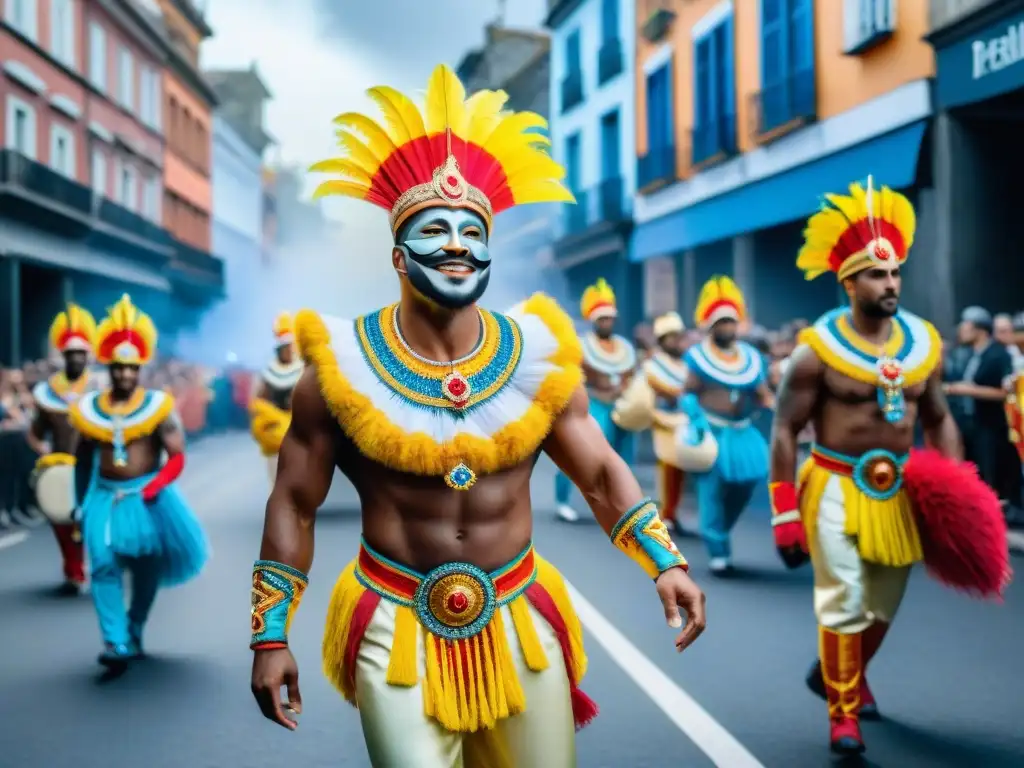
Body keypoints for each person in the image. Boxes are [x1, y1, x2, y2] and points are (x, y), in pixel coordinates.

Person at [248, 64, 706, 768]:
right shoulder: (337, 370)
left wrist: (665, 562)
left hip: (519, 615)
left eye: (473, 228)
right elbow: (296, 503)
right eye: (437, 227)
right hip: (394, 622)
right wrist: (271, 636)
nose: (459, 242)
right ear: (398, 254)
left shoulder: (538, 357)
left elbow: (600, 470)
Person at [770, 178, 1010, 755]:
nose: (891, 283)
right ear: (849, 282)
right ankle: (842, 714)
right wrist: (784, 513)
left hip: (899, 487)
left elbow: (940, 418)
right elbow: (784, 429)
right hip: (831, 482)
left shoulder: (924, 344)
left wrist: (960, 491)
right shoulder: (814, 353)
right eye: (877, 275)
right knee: (845, 596)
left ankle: (836, 670)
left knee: (884, 604)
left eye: (895, 272)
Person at [70, 294, 209, 669]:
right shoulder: (88, 411)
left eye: (132, 367)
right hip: (103, 498)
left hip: (148, 499)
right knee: (102, 565)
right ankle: (115, 643)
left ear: (140, 368)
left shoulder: (159, 407)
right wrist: (78, 502)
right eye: (118, 367)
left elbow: (177, 456)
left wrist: (156, 485)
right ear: (109, 366)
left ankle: (133, 628)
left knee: (146, 569)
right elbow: (81, 461)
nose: (125, 374)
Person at [681, 276, 772, 574]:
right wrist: (695, 419)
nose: (727, 328)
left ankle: (720, 529)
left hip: (742, 432)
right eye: (721, 323)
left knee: (744, 487)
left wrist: (781, 409)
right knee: (712, 491)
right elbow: (687, 394)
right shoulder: (698, 358)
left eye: (731, 322)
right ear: (710, 326)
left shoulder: (752, 359)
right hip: (712, 433)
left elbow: (762, 395)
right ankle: (718, 548)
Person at [25, 305, 98, 594]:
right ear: (64, 357)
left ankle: (95, 564)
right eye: (72, 355)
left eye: (81, 354)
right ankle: (73, 570)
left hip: (91, 466)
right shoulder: (48, 394)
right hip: (59, 467)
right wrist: (43, 452)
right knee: (61, 521)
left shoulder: (97, 391)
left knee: (90, 521)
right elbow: (34, 434)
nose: (77, 359)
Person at [554, 278, 637, 522]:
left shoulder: (625, 347)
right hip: (592, 407)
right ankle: (562, 500)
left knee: (622, 457)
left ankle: (619, 504)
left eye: (610, 318)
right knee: (581, 455)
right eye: (602, 319)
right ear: (594, 321)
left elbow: (631, 376)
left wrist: (625, 391)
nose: (606, 322)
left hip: (620, 408)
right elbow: (572, 377)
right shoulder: (581, 347)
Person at [639, 312, 690, 531]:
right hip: (664, 420)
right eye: (671, 337)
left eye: (678, 336)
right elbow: (660, 388)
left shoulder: (687, 362)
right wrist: (683, 393)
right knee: (668, 466)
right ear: (662, 341)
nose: (676, 341)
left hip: (685, 420)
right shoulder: (654, 364)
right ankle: (664, 513)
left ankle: (672, 510)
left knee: (680, 470)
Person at [250, 312, 304, 485]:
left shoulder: (304, 369)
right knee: (277, 479)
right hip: (276, 434)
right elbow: (258, 401)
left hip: (299, 430)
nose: (289, 351)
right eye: (285, 347)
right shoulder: (268, 373)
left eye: (291, 347)